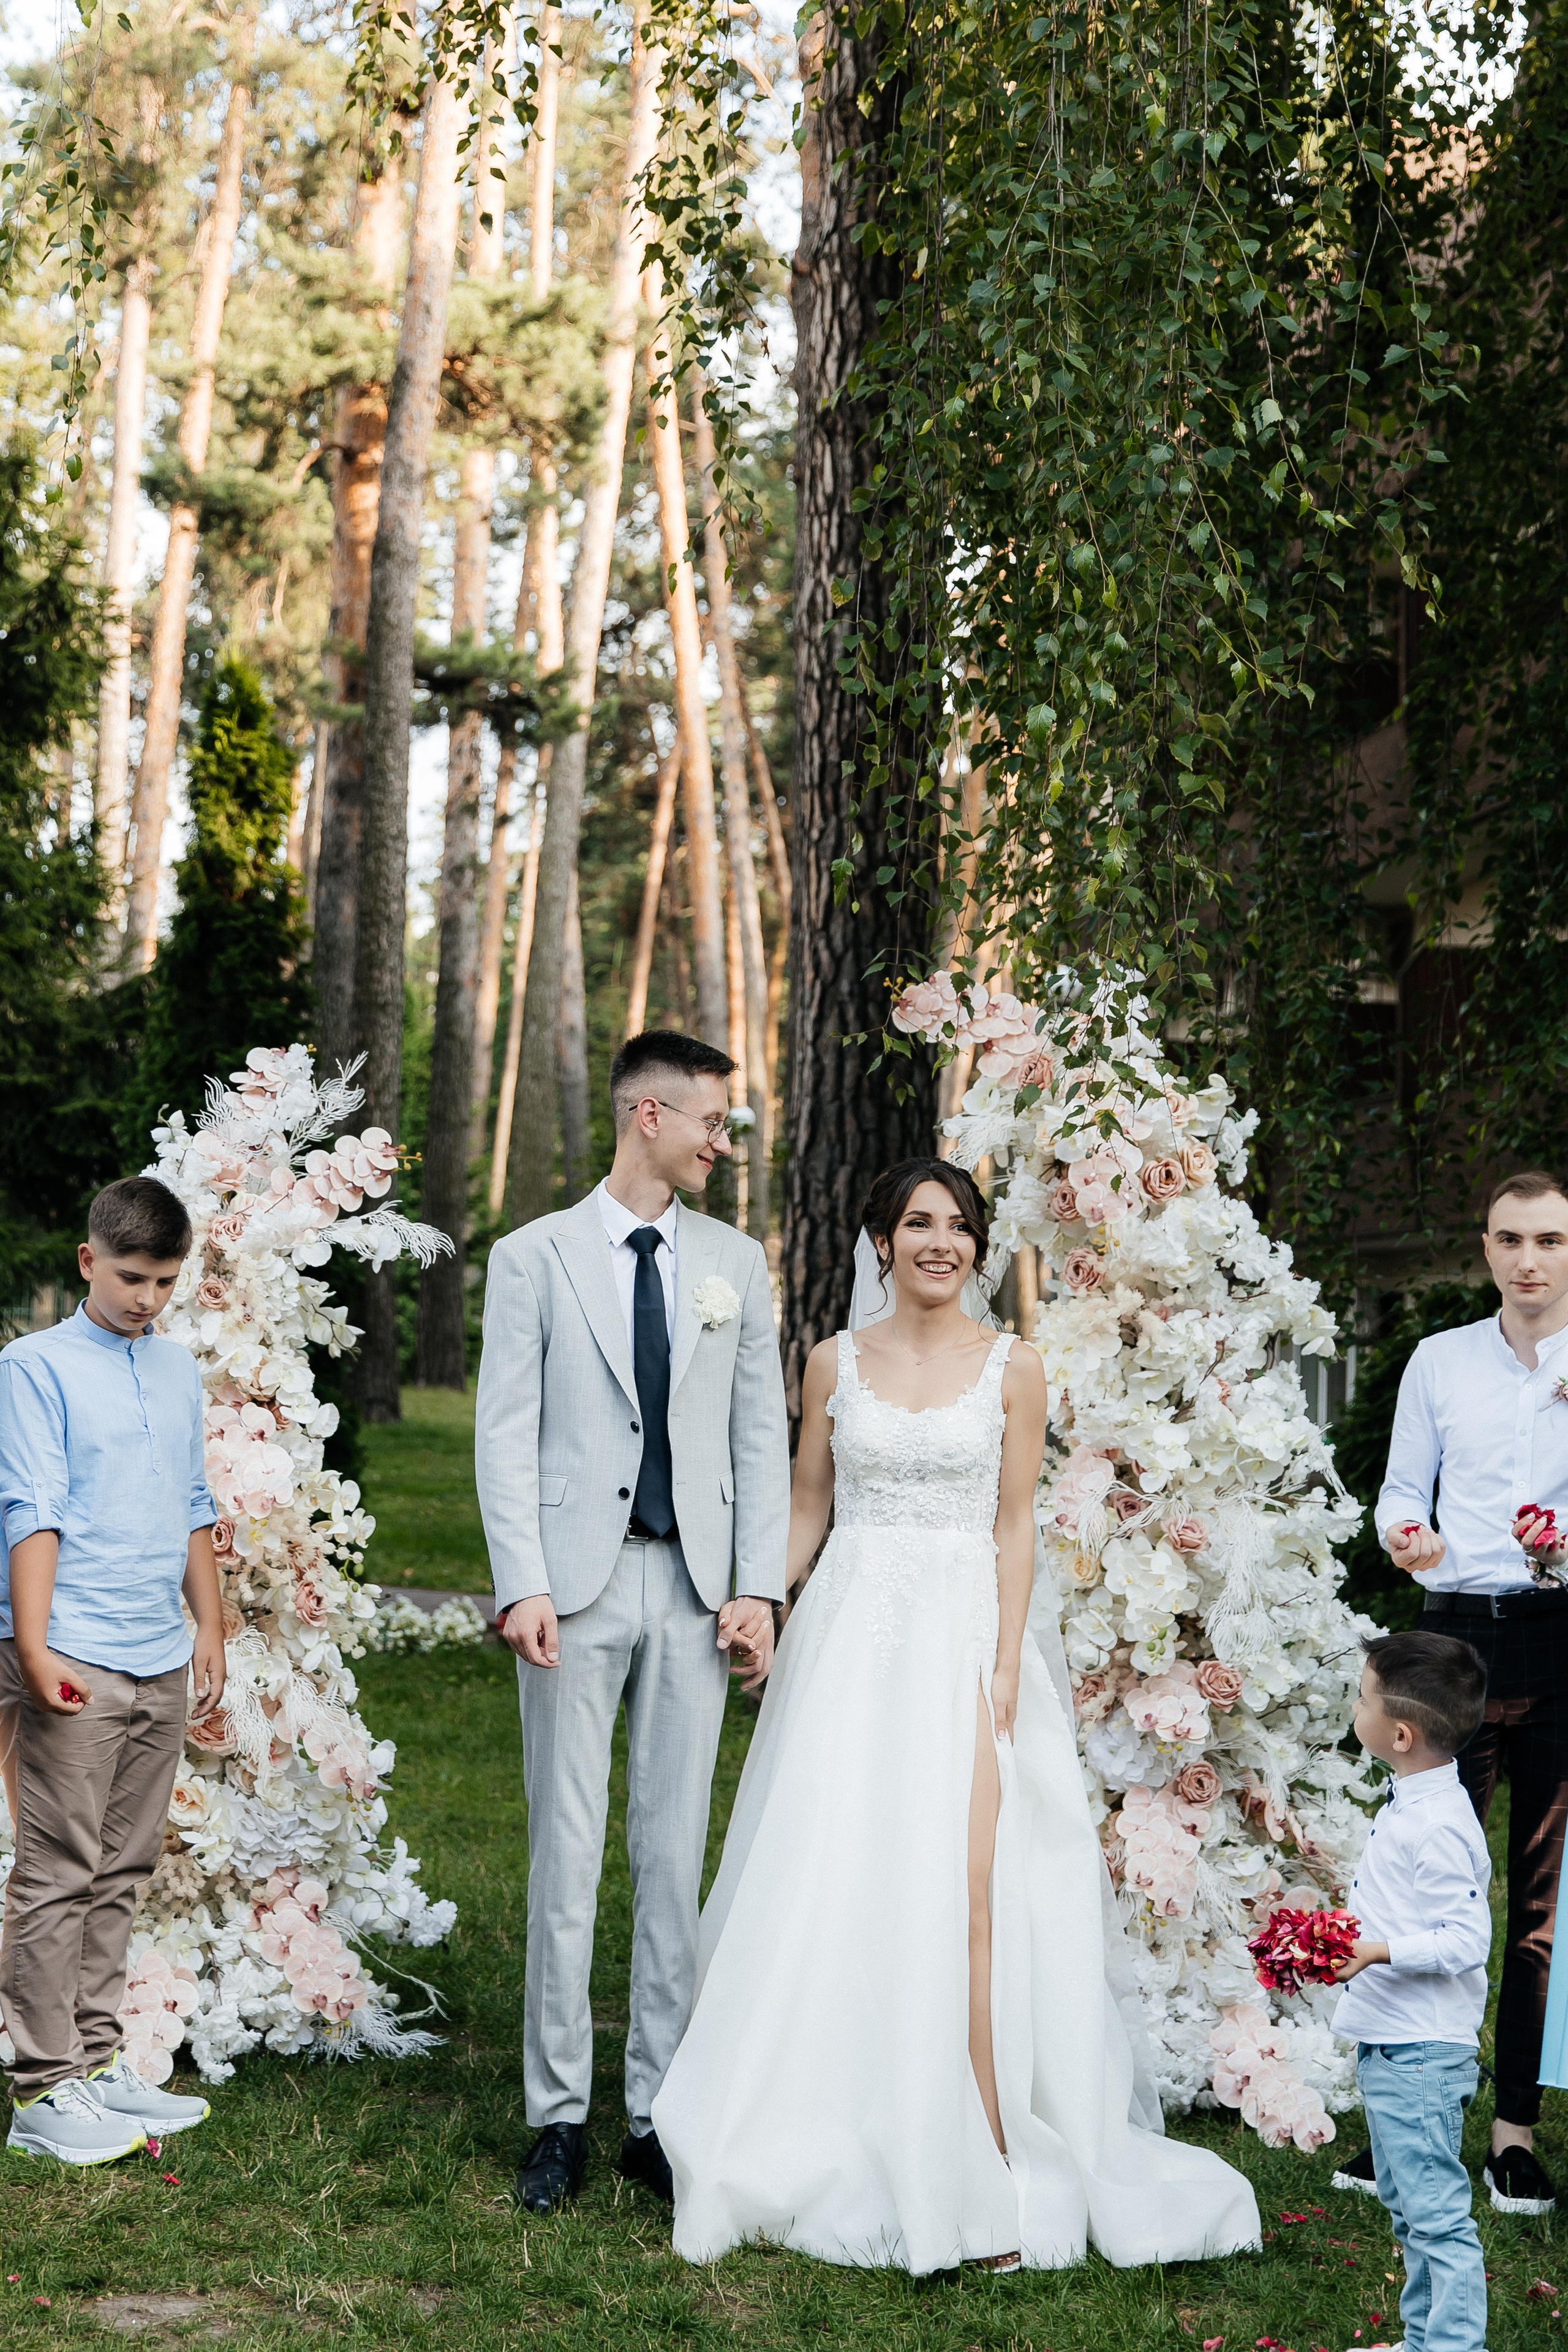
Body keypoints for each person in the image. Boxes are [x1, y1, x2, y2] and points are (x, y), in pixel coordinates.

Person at [650, 1160, 1261, 2274]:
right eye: (918, 1223)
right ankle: (836, 2100)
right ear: (879, 1241)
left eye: (961, 1226)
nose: (942, 1241)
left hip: (968, 1639)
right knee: (840, 1862)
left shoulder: (1015, 1369)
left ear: (979, 1247)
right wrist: (762, 1599)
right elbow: (808, 1501)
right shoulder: (834, 1361)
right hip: (851, 1639)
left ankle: (984, 2139)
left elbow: (1016, 1524)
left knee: (973, 1884)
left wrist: (1007, 1661)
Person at [476, 1031, 790, 2215]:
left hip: (697, 1591)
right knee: (568, 1853)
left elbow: (758, 1434)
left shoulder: (735, 1264)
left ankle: (658, 2113)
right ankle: (558, 2113)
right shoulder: (534, 1258)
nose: (725, 1142)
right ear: (648, 1115)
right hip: (573, 1586)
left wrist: (757, 1585)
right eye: (714, 1121)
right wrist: (522, 1583)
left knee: (674, 1854)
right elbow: (505, 1430)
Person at [1343, 1168, 1568, 2216]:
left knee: (1535, 1901)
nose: (1530, 1262)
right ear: (1485, 1249)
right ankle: (1403, 2122)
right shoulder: (1438, 1362)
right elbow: (1399, 1491)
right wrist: (1408, 1537)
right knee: (1418, 1883)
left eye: (1552, 1242)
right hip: (1452, 1641)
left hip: (1559, 1638)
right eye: (1512, 1241)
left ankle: (1513, 2132)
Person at [0, 1175, 225, 2166]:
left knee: (125, 1864)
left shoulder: (178, 1370)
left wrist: (208, 1629)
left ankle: (94, 2060)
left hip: (159, 1654)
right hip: (74, 1656)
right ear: (88, 1261)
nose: (148, 1299)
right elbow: (29, 1509)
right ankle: (41, 2085)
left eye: (166, 1281)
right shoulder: (32, 1367)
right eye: (132, 1277)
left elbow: (191, 1502)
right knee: (57, 1868)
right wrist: (37, 1648)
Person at [1333, 1632, 1492, 2352]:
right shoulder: (1410, 1801)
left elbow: (1466, 1942)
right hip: (1394, 2043)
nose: (1354, 1705)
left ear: (1398, 1733)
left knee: (1435, 2216)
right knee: (1409, 2208)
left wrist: (1377, 1950)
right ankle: (1424, 2340)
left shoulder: (1436, 1825)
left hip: (1422, 2051)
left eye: (1361, 1696)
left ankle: (1455, 2347)